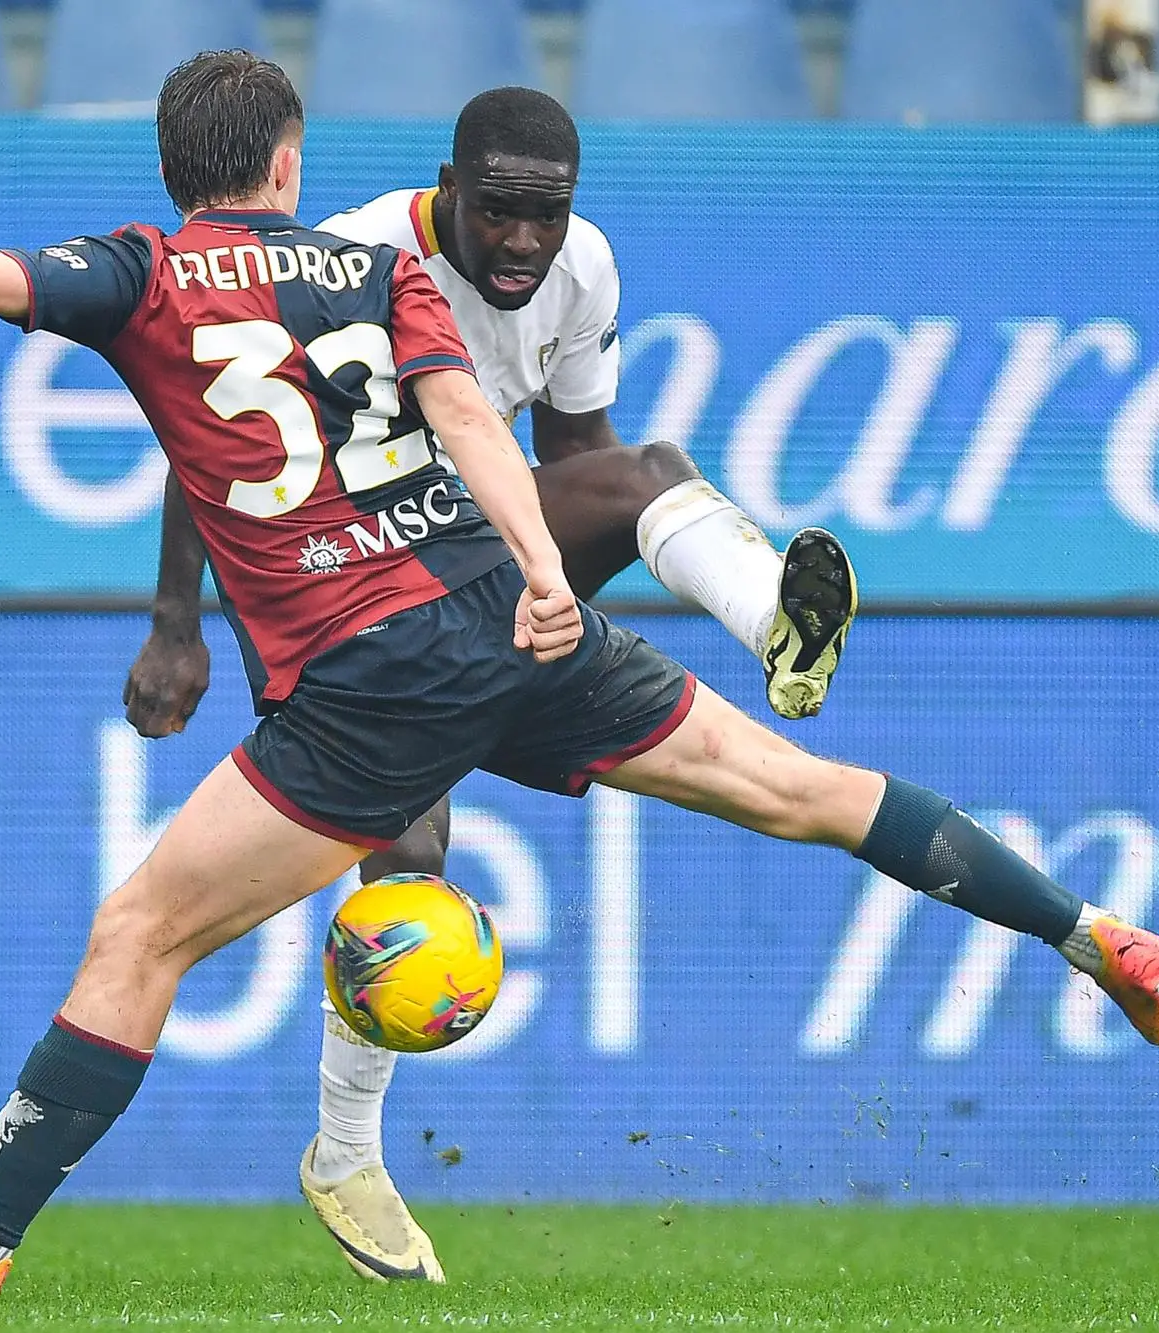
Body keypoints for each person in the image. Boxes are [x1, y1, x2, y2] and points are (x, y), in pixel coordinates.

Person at [0, 50, 1159, 1305]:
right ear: (290, 161)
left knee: (141, 933)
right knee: (809, 792)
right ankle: (1091, 931)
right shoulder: (369, 269)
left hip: (368, 668)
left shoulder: (144, 274)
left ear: (180, 172)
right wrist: (534, 573)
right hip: (497, 605)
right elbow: (469, 426)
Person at [122, 88, 857, 1281]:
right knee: (408, 854)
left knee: (644, 472)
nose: (525, 239)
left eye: (548, 214)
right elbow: (218, 444)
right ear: (448, 189)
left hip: (472, 552)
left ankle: (776, 619)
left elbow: (575, 462)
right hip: (333, 576)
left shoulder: (584, 268)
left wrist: (541, 615)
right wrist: (174, 625)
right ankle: (345, 1153)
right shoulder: (345, 256)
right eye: (501, 211)